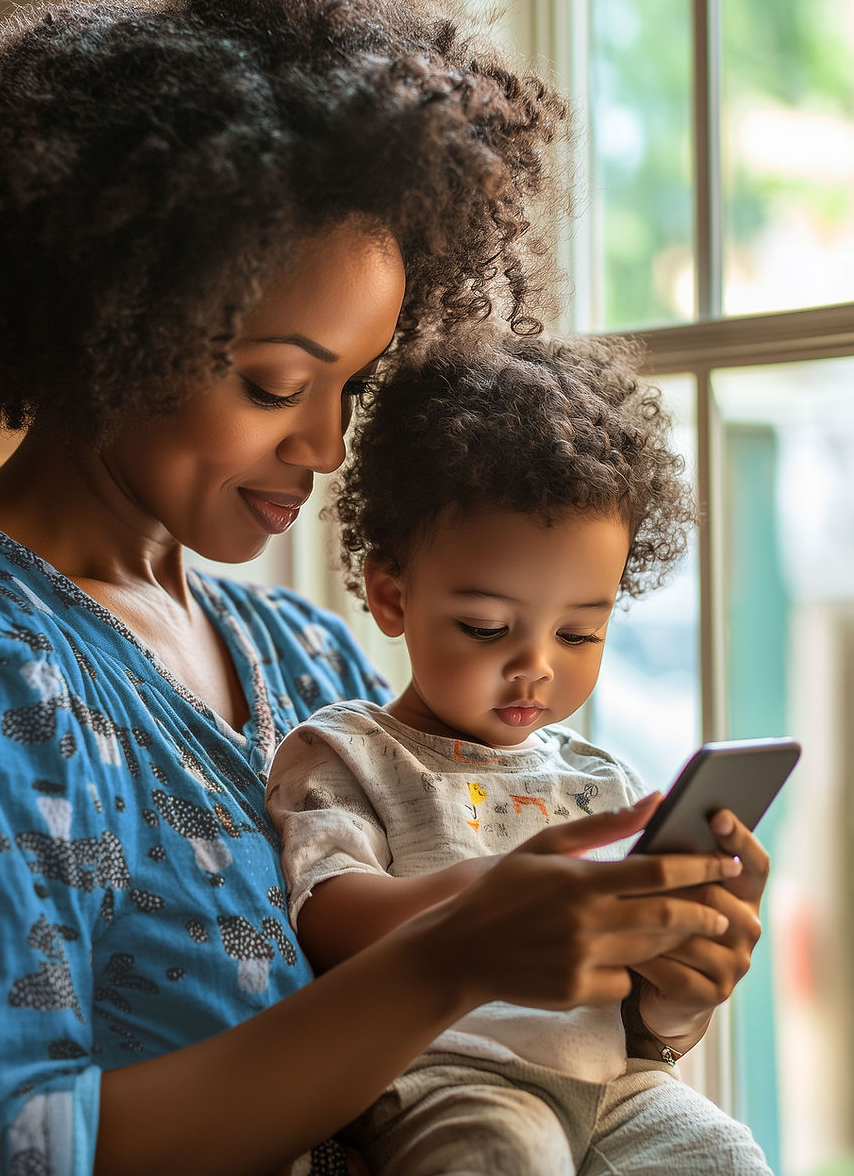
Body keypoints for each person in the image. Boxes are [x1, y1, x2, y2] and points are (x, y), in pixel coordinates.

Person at [0, 0, 759, 1176]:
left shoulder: (302, 651)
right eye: (275, 381)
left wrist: (639, 976)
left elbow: (444, 1084)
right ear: (102, 321)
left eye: (351, 381)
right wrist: (448, 951)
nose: (327, 447)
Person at [266, 333, 772, 1174]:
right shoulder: (347, 751)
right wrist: (478, 899)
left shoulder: (601, 780)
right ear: (392, 594)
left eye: (580, 631)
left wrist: (683, 984)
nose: (537, 663)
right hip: (444, 1076)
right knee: (505, 1154)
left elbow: (645, 1021)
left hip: (616, 1085)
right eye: (487, 627)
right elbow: (324, 914)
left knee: (727, 1153)